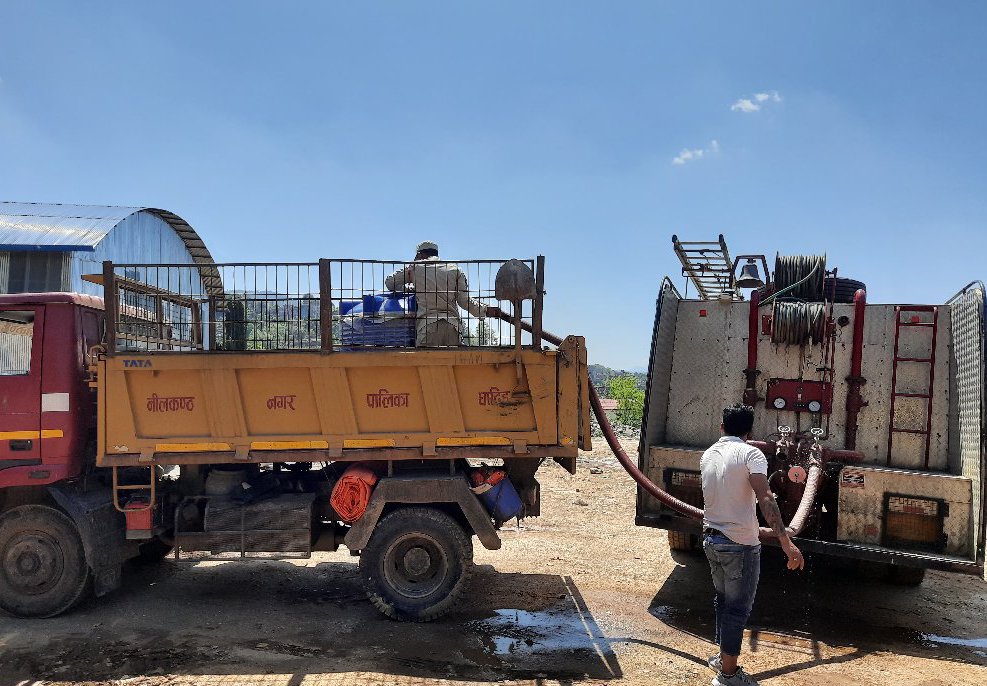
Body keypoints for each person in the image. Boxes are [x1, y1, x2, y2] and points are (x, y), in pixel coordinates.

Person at [701, 404, 805, 686]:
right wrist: (786, 542)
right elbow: (766, 497)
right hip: (740, 544)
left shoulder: (708, 454)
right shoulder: (751, 454)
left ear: (722, 427)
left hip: (711, 539)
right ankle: (728, 675)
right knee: (737, 609)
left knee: (723, 602)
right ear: (750, 431)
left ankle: (722, 658)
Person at [385, 241, 499, 347]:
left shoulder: (415, 267)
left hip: (427, 327)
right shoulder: (455, 269)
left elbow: (390, 282)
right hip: (453, 327)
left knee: (426, 362)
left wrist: (411, 288)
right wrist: (485, 310)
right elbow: (464, 301)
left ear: (419, 254)